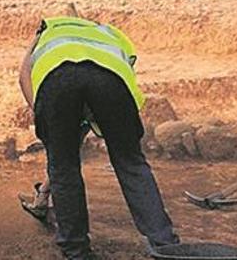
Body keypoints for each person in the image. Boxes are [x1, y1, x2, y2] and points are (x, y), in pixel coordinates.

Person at [18, 15, 179, 259]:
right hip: (110, 80)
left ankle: (76, 250)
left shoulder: (46, 31)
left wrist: (51, 126)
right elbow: (115, 80)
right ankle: (165, 243)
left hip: (58, 82)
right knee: (131, 163)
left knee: (64, 168)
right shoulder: (108, 33)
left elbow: (24, 75)